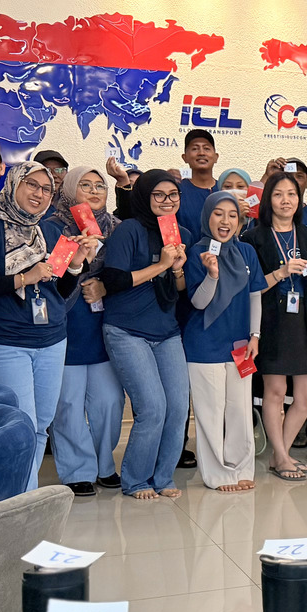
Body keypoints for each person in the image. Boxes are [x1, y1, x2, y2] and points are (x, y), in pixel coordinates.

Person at [0, 163, 94, 491]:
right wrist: (25, 278)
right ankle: (10, 499)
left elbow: (59, 290)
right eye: (32, 185)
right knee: (18, 424)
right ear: (13, 184)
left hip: (51, 339)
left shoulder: (49, 230)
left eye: (47, 189)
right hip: (4, 342)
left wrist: (76, 263)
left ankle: (25, 495)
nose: (40, 194)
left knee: (40, 424)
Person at [98, 169, 192, 499]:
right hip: (126, 330)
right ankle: (136, 479)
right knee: (152, 408)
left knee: (178, 409)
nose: (167, 201)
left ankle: (163, 477)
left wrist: (177, 269)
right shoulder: (129, 230)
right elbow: (113, 281)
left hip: (166, 331)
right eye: (159, 195)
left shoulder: (182, 234)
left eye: (173, 195)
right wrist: (161, 265)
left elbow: (180, 290)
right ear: (144, 196)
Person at [242, 171, 307, 481]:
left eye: (291, 194)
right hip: (271, 319)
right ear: (268, 199)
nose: (285, 200)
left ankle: (282, 453)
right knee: (276, 391)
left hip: (303, 318)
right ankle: (281, 457)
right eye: (278, 194)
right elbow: (250, 288)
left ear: (299, 199)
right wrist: (280, 272)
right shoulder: (254, 237)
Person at [183, 191, 269, 491]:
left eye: (233, 215)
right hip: (204, 345)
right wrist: (212, 275)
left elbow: (255, 295)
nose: (225, 221)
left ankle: (242, 468)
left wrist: (255, 335)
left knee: (240, 410)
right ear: (207, 216)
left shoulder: (246, 252)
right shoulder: (196, 253)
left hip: (240, 345)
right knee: (210, 412)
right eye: (218, 213)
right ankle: (217, 474)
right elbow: (198, 302)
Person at [48, 166, 124, 495]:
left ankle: (104, 463)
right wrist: (80, 264)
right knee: (68, 404)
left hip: (105, 329)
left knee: (110, 401)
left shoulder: (116, 229)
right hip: (67, 327)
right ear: (68, 190)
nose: (94, 191)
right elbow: (53, 278)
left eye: (99, 186)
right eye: (85, 185)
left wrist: (104, 285)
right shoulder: (54, 227)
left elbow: (125, 276)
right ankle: (77, 470)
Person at [176, 129, 221, 236]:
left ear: (216, 157)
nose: (201, 153)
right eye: (195, 149)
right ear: (185, 157)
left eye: (206, 148)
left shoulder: (225, 190)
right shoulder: (176, 192)